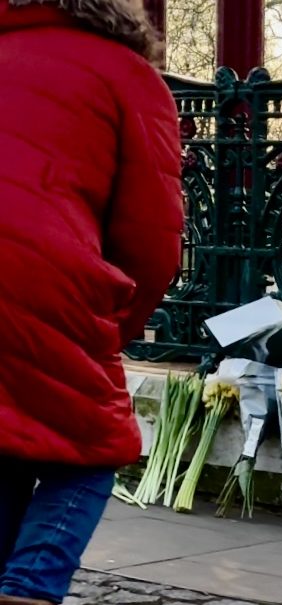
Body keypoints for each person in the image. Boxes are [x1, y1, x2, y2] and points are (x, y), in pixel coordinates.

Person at [0, 1, 183, 603]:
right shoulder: (126, 76)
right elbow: (153, 243)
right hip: (43, 279)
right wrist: (111, 328)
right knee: (92, 448)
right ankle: (29, 586)